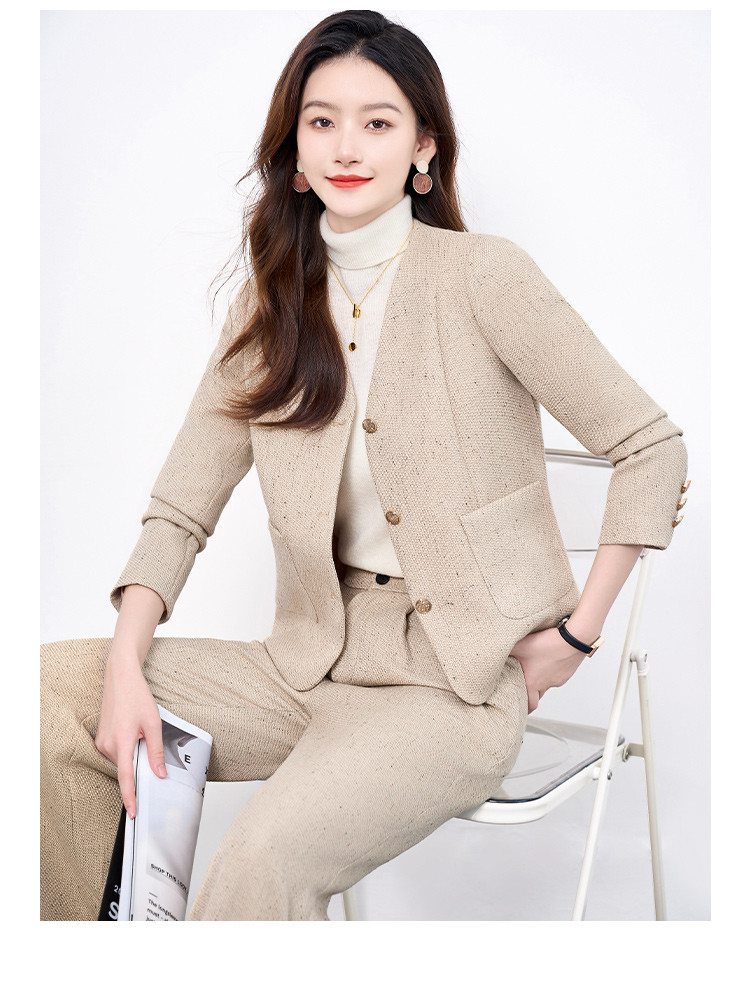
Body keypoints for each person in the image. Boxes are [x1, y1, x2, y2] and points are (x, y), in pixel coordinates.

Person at [40, 9, 690, 921]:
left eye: (378, 122)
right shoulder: (271, 308)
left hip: (450, 690)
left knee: (258, 861)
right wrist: (124, 666)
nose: (348, 146)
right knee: (43, 696)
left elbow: (651, 447)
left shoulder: (484, 276)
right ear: (295, 155)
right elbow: (182, 506)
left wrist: (577, 637)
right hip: (306, 666)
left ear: (423, 147)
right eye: (323, 121)